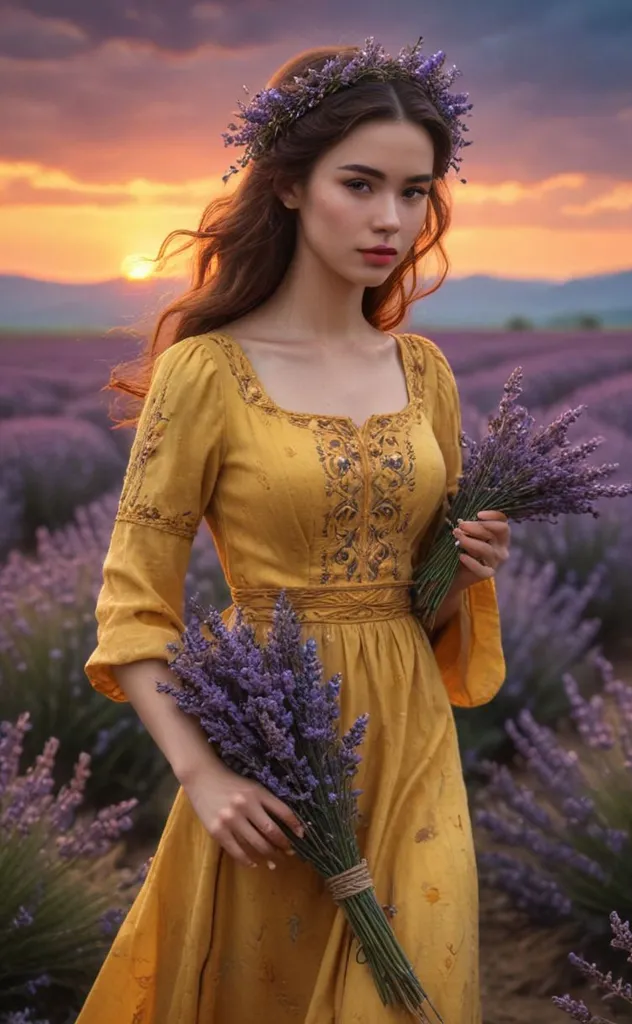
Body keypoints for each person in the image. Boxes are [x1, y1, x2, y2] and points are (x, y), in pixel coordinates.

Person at [76, 37, 510, 1024]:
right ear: (285, 184)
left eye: (414, 191)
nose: (389, 219)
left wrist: (466, 568)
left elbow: (425, 609)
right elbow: (133, 607)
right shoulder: (205, 374)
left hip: (408, 739)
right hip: (270, 738)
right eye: (359, 184)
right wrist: (204, 770)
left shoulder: (426, 375)